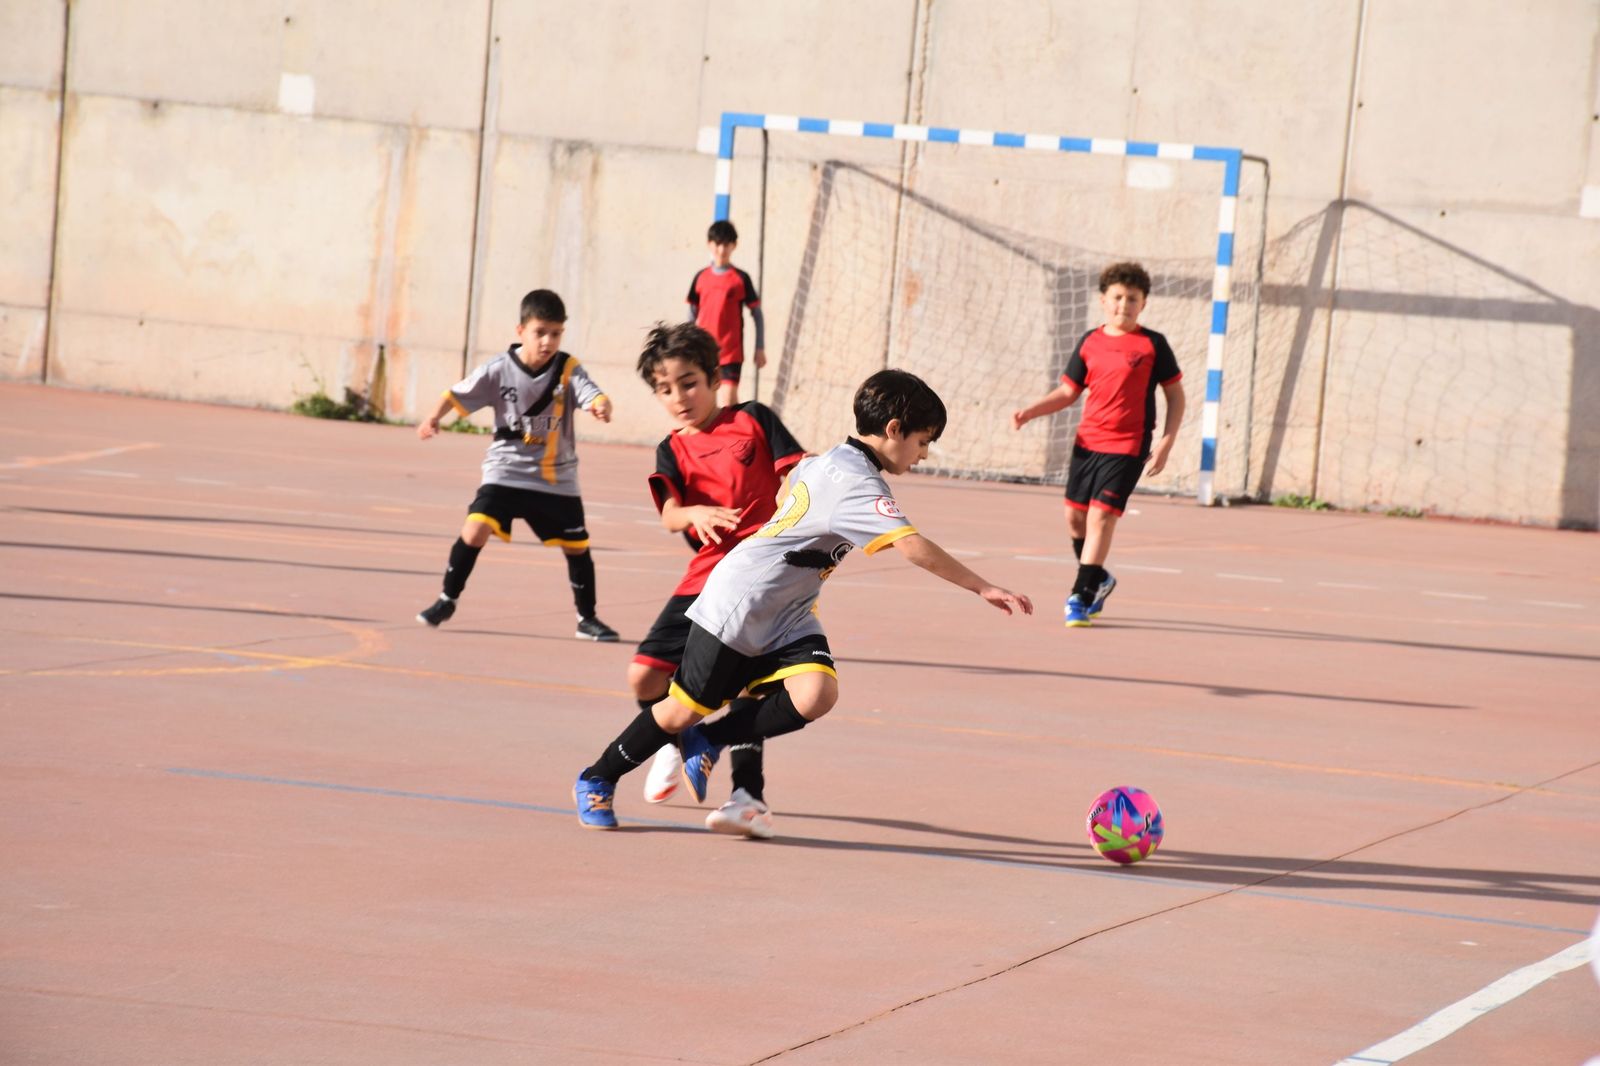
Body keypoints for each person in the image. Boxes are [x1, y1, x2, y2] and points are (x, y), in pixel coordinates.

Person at [574, 369, 1033, 833]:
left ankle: (708, 740)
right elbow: (912, 547)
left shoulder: (830, 459)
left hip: (790, 610)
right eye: (923, 441)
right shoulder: (859, 483)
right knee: (679, 709)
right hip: (742, 601)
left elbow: (790, 481)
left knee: (816, 694)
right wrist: (983, 587)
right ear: (894, 429)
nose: (924, 453)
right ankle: (597, 777)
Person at [626, 321, 806, 837]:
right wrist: (696, 514)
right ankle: (675, 739)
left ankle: (749, 798)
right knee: (644, 675)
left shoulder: (752, 419)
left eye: (688, 382)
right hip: (706, 573)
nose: (679, 397)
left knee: (750, 686)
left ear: (713, 378)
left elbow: (795, 470)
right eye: (665, 389)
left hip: (763, 574)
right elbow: (670, 514)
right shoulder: (672, 448)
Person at [414, 288, 620, 641]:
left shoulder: (568, 369)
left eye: (555, 333)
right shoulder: (498, 370)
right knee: (475, 528)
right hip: (506, 471)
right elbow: (455, 394)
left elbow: (592, 393)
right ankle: (446, 599)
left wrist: (601, 406)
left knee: (577, 548)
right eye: (540, 332)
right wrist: (432, 418)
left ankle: (588, 619)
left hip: (556, 476)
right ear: (521, 330)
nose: (548, 341)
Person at [1011, 261, 1186, 627]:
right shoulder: (1090, 341)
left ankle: (1080, 595)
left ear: (1144, 304)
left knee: (1101, 517)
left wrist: (1166, 442)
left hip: (1128, 446)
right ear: (1104, 300)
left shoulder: (1153, 345)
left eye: (1133, 298)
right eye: (1118, 297)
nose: (1124, 304)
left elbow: (1176, 397)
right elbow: (1067, 392)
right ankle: (1099, 578)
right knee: (1075, 519)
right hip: (1088, 443)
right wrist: (1030, 411)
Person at [687, 220, 765, 407]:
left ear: (734, 246)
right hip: (704, 352)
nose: (721, 249)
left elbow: (757, 314)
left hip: (731, 353)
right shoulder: (701, 277)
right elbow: (691, 314)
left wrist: (759, 347)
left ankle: (740, 432)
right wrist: (687, 345)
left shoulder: (740, 278)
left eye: (726, 244)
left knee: (727, 400)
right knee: (706, 404)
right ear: (710, 244)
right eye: (717, 244)